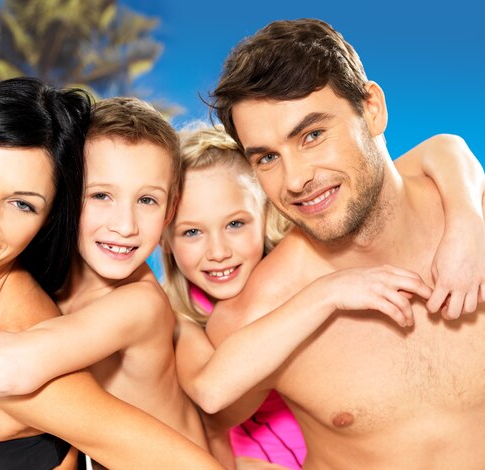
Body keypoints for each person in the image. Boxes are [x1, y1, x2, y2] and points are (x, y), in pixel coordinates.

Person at [0, 77, 223, 470]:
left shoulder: (137, 303)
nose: (124, 225)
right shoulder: (42, 262)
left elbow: (12, 369)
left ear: (170, 209)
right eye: (101, 195)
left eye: (146, 199)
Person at [201, 18, 485, 469]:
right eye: (268, 157)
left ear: (372, 109)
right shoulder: (259, 316)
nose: (296, 180)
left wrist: (469, 216)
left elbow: (445, 150)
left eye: (312, 135)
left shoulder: (473, 218)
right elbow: (200, 433)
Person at [162, 124, 485, 469]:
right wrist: (329, 292)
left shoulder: (301, 252)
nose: (218, 251)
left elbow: (441, 147)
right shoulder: (185, 322)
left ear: (265, 213)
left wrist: (468, 219)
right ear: (163, 238)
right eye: (192, 232)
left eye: (235, 224)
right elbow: (210, 397)